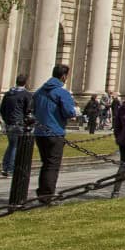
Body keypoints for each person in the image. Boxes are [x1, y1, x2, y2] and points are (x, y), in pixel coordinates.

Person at [31, 63, 77, 201]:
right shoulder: (62, 92)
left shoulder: (39, 91)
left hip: (39, 132)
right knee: (52, 165)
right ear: (64, 76)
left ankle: (42, 191)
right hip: (55, 132)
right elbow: (69, 112)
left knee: (45, 163)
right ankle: (47, 194)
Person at [0, 74, 31, 178]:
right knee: (15, 146)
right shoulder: (26, 94)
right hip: (18, 123)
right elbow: (28, 110)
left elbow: (2, 109)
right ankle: (10, 169)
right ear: (25, 82)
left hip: (9, 122)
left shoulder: (8, 94)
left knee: (11, 145)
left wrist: (6, 119)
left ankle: (5, 167)